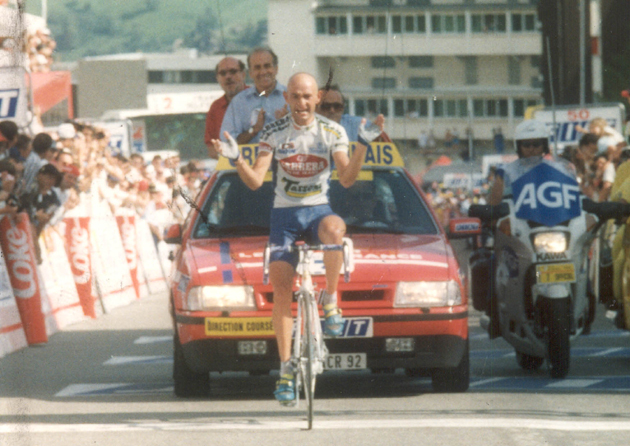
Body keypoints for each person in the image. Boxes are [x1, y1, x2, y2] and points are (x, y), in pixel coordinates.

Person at [210, 72, 381, 404]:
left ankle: (330, 299)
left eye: (308, 97)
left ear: (317, 99)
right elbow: (257, 181)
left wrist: (362, 144)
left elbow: (346, 179)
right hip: (284, 217)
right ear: (286, 98)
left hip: (317, 211)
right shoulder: (273, 131)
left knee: (336, 228)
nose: (302, 104)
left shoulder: (333, 131)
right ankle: (286, 369)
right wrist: (236, 159)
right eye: (296, 97)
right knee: (282, 289)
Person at [489, 119, 576, 206]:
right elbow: (494, 206)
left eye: (536, 144)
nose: (531, 149)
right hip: (517, 218)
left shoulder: (560, 169)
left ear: (544, 145)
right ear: (519, 146)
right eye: (526, 145)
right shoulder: (505, 173)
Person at [219, 47, 288, 145]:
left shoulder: (292, 97)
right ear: (250, 73)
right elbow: (227, 142)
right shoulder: (239, 102)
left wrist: (289, 124)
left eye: (267, 66)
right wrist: (254, 130)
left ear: (276, 69)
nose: (263, 72)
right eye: (257, 67)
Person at [204, 57, 248, 158]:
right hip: (230, 169)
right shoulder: (215, 108)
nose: (228, 77)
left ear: (243, 74)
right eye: (223, 73)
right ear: (217, 78)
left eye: (233, 72)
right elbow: (211, 150)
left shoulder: (258, 98)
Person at [316, 85, 386, 142]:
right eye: (326, 106)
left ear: (343, 108)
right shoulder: (307, 127)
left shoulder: (359, 125)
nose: (332, 110)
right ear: (315, 108)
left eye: (337, 106)